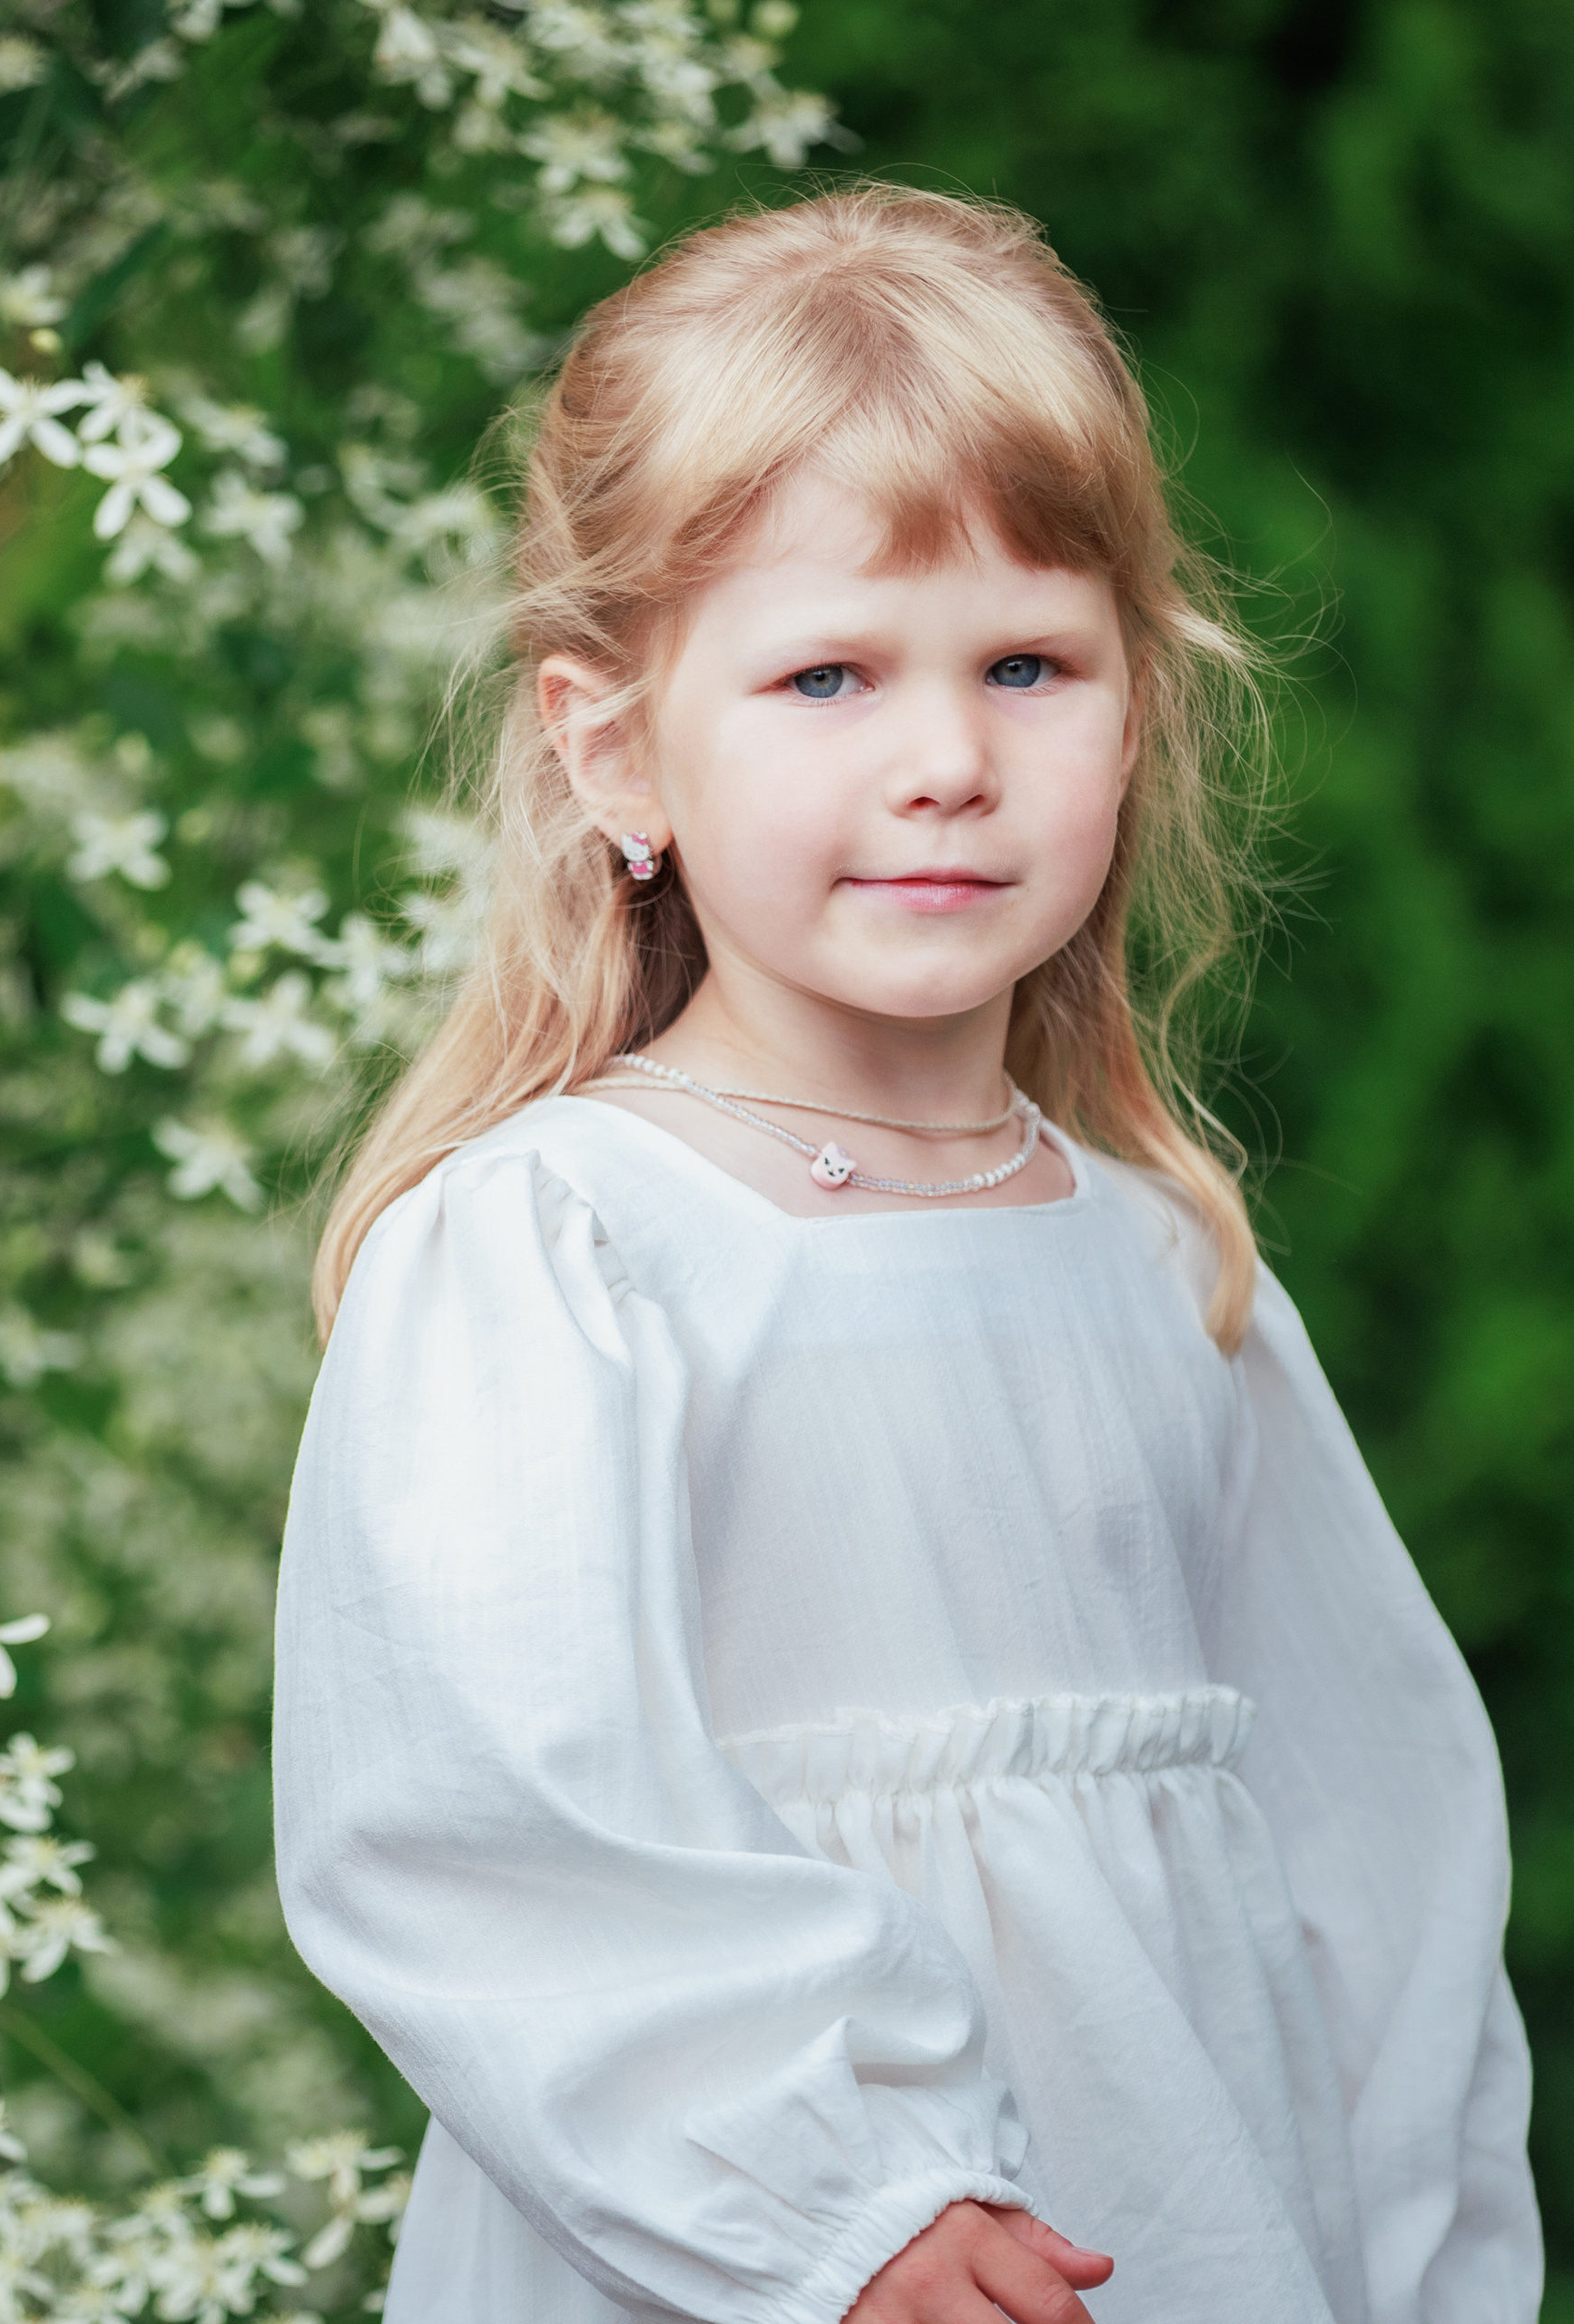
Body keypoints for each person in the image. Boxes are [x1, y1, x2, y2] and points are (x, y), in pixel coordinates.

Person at [269, 185, 1543, 2324]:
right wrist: (834, 2201)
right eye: (827, 671)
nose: (944, 760)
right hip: (734, 2258)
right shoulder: (558, 1246)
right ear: (613, 748)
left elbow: (1375, 1849)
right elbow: (479, 1821)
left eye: (1024, 663)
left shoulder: (1167, 1268)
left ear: (1131, 715)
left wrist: (1421, 2273)